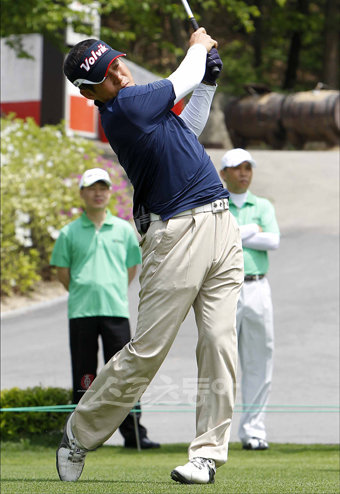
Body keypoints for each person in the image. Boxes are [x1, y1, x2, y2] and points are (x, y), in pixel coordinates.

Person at [57, 28, 244, 485]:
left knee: (220, 342)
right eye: (106, 74)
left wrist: (209, 83)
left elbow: (190, 126)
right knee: (148, 350)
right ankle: (79, 433)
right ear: (89, 92)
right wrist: (199, 47)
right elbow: (183, 74)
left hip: (221, 223)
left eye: (117, 63)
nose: (119, 74)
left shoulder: (146, 106)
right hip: (175, 233)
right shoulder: (125, 109)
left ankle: (206, 455)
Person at [50, 167, 159, 450]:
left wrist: (110, 290)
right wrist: (82, 290)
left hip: (115, 310)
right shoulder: (68, 232)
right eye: (92, 188)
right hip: (81, 312)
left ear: (109, 192)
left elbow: (130, 269)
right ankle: (79, 438)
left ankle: (135, 434)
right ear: (82, 193)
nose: (98, 193)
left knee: (125, 374)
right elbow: (63, 272)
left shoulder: (123, 230)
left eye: (103, 188)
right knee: (84, 376)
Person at [219, 148, 280, 450]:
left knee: (259, 360)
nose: (243, 173)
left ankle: (254, 431)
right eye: (236, 168)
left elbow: (274, 240)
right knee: (220, 362)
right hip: (224, 289)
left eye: (248, 167)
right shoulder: (216, 205)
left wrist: (237, 233)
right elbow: (216, 240)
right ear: (224, 173)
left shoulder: (263, 204)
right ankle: (216, 435)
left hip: (257, 287)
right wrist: (252, 230)